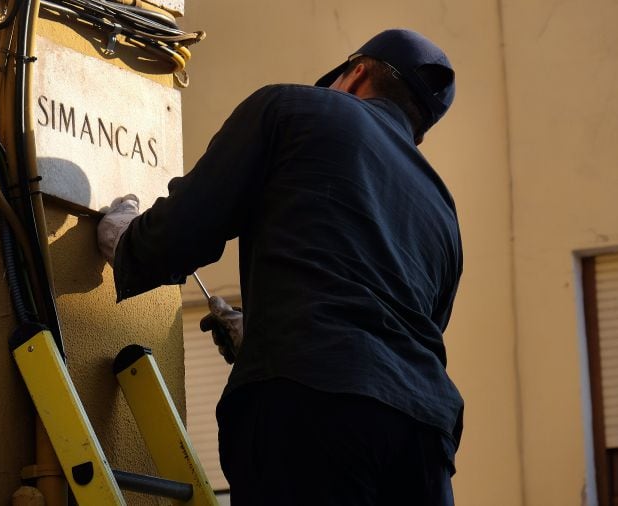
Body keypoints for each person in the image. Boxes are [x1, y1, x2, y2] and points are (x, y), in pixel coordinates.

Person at [97, 28, 463, 506]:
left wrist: (126, 237)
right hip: (424, 433)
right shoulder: (442, 207)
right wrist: (264, 335)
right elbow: (402, 331)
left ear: (355, 75)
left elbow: (182, 230)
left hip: (312, 412)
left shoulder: (292, 108)